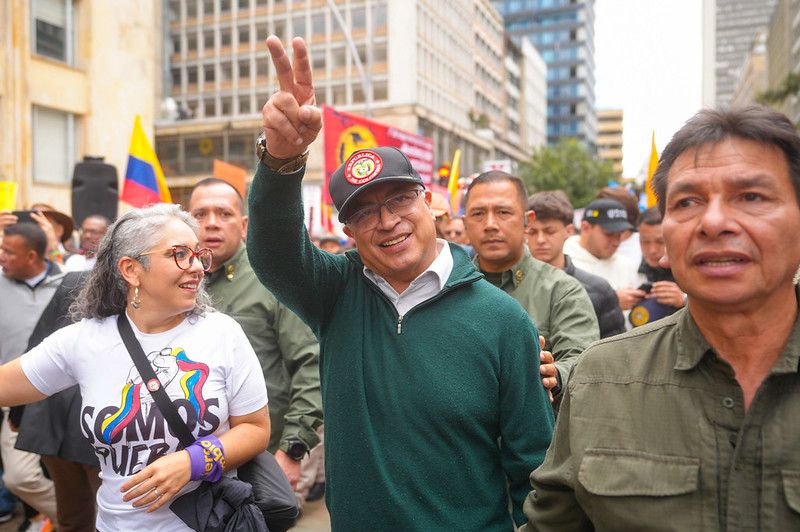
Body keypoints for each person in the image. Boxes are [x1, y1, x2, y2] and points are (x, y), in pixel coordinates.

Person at [248, 36, 553, 530]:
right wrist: (281, 160)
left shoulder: (503, 321)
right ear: (348, 232)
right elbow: (274, 254)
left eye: (399, 200)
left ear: (428, 201)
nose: (387, 222)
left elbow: (534, 468)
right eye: (365, 212)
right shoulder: (338, 292)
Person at [524, 106, 800, 530]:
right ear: (663, 243)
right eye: (687, 202)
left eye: (751, 197)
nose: (714, 222)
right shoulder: (602, 377)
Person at [0, 204, 270, 530]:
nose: (197, 267)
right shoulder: (84, 340)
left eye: (198, 255)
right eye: (179, 254)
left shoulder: (222, 333)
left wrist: (193, 462)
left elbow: (255, 429)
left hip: (209, 523)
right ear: (131, 269)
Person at [188, 178, 322, 490]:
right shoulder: (173, 280)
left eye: (224, 213)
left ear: (244, 225)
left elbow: (310, 364)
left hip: (261, 458)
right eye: (200, 214)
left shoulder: (271, 278)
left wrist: (293, 447)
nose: (211, 223)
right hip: (189, 463)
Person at [463, 171, 599, 405]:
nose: (490, 225)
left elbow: (582, 361)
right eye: (478, 214)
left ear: (528, 221)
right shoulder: (447, 288)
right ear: (465, 223)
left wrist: (553, 376)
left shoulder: (562, 290)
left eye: (503, 212)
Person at [0, 223, 61, 528]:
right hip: (14, 401)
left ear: (32, 256)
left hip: (61, 399)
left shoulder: (67, 283)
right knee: (19, 476)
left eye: (8, 251)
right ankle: (78, 517)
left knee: (65, 473)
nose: (1, 256)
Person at [527, 190, 625, 338]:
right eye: (532, 232)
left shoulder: (599, 289)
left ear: (569, 231)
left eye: (549, 231)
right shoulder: (509, 285)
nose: (540, 239)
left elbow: (615, 346)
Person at [562, 197, 643, 310]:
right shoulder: (562, 261)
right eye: (609, 234)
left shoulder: (627, 265)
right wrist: (611, 303)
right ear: (585, 228)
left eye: (620, 235)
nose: (616, 242)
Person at [628, 206, 686, 327]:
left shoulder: (694, 273)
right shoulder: (628, 268)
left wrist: (685, 301)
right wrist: (616, 304)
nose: (652, 250)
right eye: (645, 241)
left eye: (660, 242)